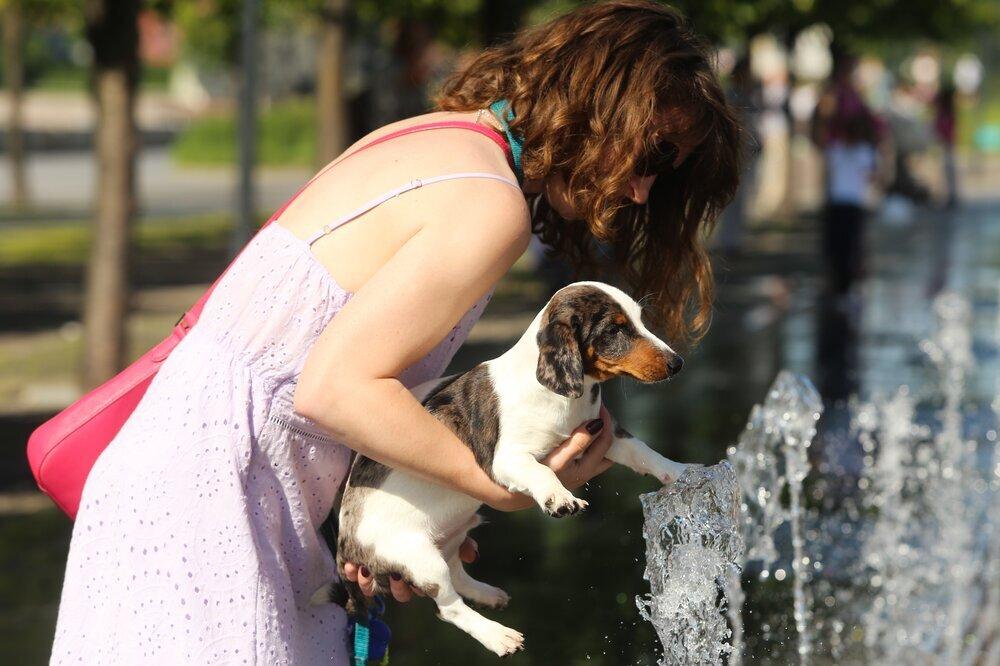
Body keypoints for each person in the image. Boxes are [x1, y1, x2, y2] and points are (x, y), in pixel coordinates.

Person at [50, 1, 741, 663]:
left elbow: (327, 377)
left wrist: (399, 511)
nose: (644, 191)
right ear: (599, 102)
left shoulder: (438, 136)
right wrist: (499, 483)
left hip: (190, 486)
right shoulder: (489, 203)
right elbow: (335, 389)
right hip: (221, 509)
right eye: (651, 152)